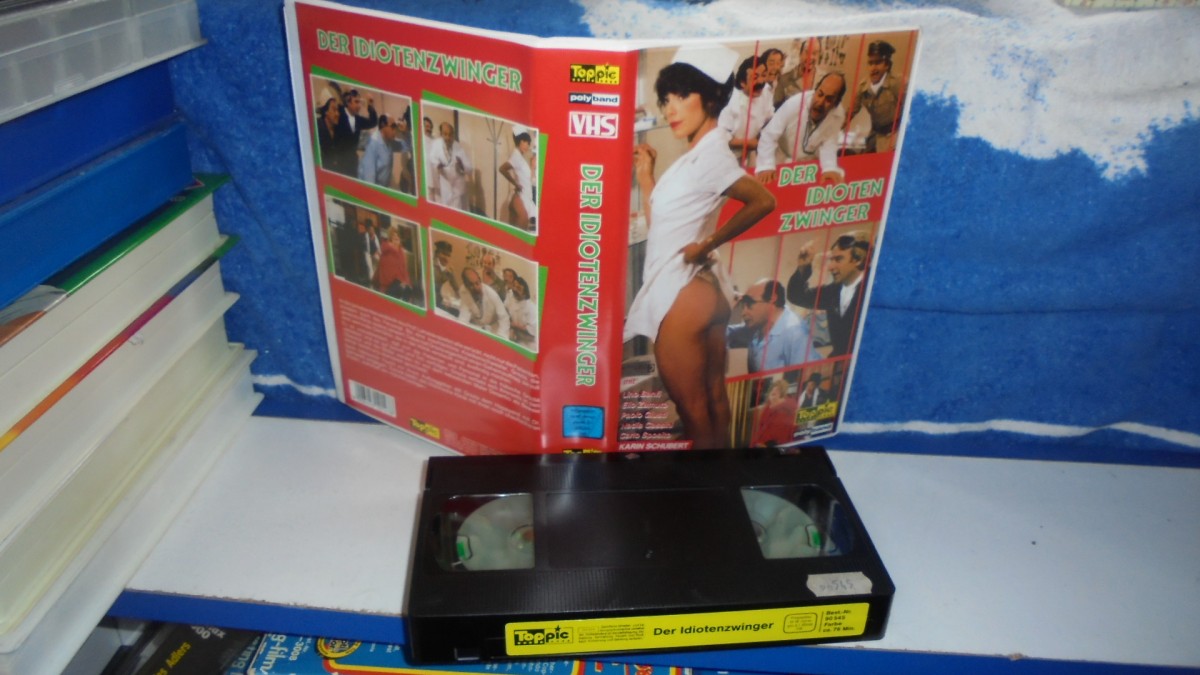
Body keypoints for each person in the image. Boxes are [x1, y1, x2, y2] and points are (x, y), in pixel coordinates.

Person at [623, 43, 776, 450]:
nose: (671, 109)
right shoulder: (696, 157)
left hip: (682, 294)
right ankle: (721, 479)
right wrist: (646, 176)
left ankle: (703, 486)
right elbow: (665, 227)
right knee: (713, 402)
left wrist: (706, 242)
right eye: (666, 100)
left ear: (710, 97)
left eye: (682, 95)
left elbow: (763, 201)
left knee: (691, 411)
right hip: (706, 293)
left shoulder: (710, 157)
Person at [786, 232, 871, 357]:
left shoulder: (875, 289)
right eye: (832, 259)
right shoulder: (832, 292)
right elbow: (797, 296)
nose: (830, 266)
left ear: (858, 260)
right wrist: (803, 267)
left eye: (838, 259)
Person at [756, 71, 847, 185]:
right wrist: (766, 165)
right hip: (779, 160)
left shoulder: (838, 115)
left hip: (807, 167)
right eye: (820, 94)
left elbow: (828, 143)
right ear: (815, 91)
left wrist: (829, 168)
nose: (820, 102)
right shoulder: (795, 103)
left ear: (836, 103)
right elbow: (769, 135)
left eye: (829, 99)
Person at [730, 279, 816, 374]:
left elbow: (804, 377)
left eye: (750, 303)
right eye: (743, 306)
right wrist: (727, 304)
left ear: (772, 299)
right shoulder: (757, 324)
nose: (743, 313)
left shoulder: (795, 333)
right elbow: (722, 334)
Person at [717, 55, 774, 166]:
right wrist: (749, 143)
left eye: (763, 75)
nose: (761, 81)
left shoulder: (766, 92)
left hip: (750, 154)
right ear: (742, 83)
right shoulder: (731, 101)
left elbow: (769, 118)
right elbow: (722, 138)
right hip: (727, 156)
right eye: (755, 77)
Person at [850, 40, 903, 153]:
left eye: (878, 62)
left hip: (894, 135)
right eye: (870, 63)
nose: (873, 68)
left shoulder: (897, 83)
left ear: (887, 65)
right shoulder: (863, 87)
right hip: (875, 134)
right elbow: (850, 112)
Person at [428, 121, 473, 209]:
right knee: (446, 209)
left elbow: (470, 168)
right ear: (441, 134)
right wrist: (438, 165)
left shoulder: (458, 147)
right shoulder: (436, 144)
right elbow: (432, 158)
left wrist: (462, 165)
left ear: (453, 135)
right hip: (445, 184)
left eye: (450, 134)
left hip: (458, 186)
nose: (448, 137)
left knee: (458, 210)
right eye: (445, 134)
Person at [498, 128, 537, 230]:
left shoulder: (520, 157)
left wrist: (532, 168)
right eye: (527, 143)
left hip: (525, 196)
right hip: (520, 196)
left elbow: (527, 178)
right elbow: (502, 169)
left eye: (529, 143)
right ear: (521, 142)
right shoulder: (516, 156)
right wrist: (515, 184)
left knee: (517, 228)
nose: (528, 146)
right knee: (522, 225)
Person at [458, 267, 510, 337]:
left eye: (477, 283)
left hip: (493, 328)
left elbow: (504, 318)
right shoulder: (464, 291)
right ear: (466, 285)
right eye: (471, 285)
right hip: (478, 326)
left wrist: (501, 335)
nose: (476, 287)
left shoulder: (491, 294)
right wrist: (460, 330)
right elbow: (464, 313)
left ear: (480, 280)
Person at [752, 378, 799, 447]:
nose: (771, 396)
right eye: (772, 393)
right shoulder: (768, 407)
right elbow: (762, 426)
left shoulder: (785, 410)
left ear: (782, 395)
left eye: (775, 394)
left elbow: (777, 436)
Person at [357, 114, 399, 187]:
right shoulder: (373, 144)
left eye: (395, 127)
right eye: (392, 127)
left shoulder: (389, 141)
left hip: (383, 188)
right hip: (370, 189)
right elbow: (369, 178)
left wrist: (405, 131)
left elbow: (407, 146)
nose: (395, 131)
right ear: (383, 125)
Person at [316, 97, 353, 176]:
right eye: (334, 110)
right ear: (326, 111)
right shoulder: (318, 129)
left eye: (338, 110)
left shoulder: (338, 130)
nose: (337, 114)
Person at [375, 227, 412, 299]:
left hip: (399, 281)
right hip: (388, 284)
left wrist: (406, 282)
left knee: (407, 290)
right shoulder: (385, 248)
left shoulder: (402, 252)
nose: (396, 238)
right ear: (390, 239)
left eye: (397, 236)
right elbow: (377, 256)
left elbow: (404, 268)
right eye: (394, 236)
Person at [508, 276, 538, 348]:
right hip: (517, 339)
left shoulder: (531, 307)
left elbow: (533, 330)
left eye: (518, 288)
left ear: (525, 292)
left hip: (529, 343)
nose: (515, 290)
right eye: (514, 286)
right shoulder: (512, 300)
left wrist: (514, 326)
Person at [432, 240, 459, 313]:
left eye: (448, 255)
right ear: (437, 253)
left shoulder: (447, 270)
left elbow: (456, 288)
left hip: (438, 300)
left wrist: (452, 274)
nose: (446, 258)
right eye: (443, 254)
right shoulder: (431, 265)